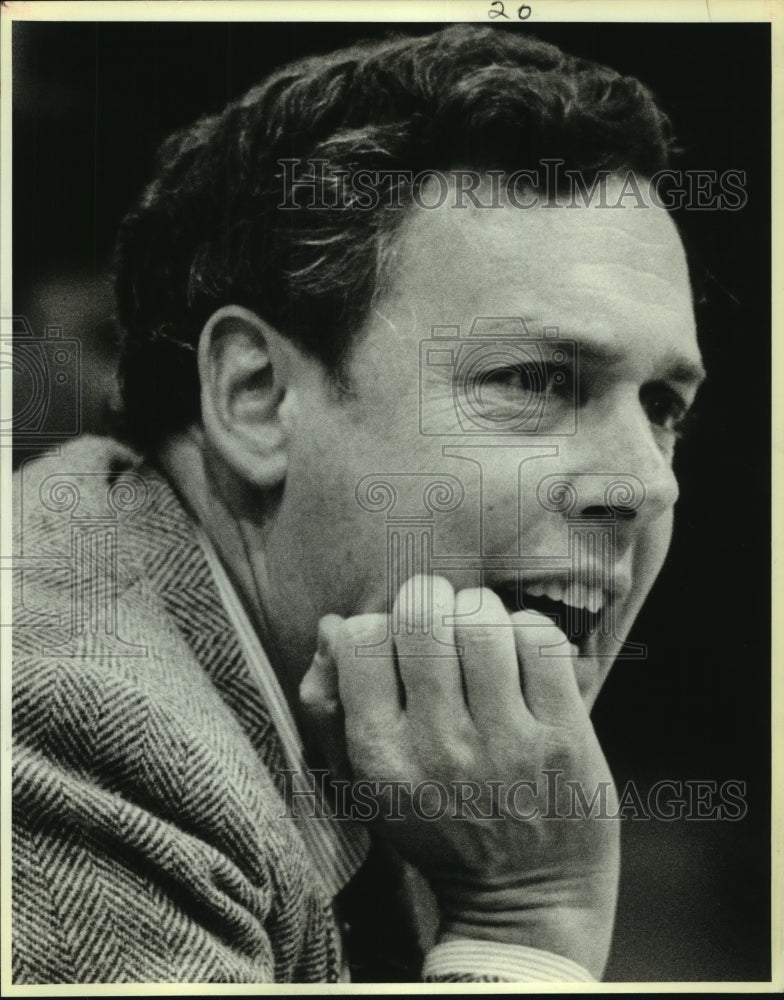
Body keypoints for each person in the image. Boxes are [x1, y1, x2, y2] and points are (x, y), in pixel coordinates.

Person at [12, 25, 705, 984]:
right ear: (257, 397)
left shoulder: (366, 698)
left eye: (665, 407)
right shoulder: (69, 734)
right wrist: (524, 924)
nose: (644, 482)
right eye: (539, 380)